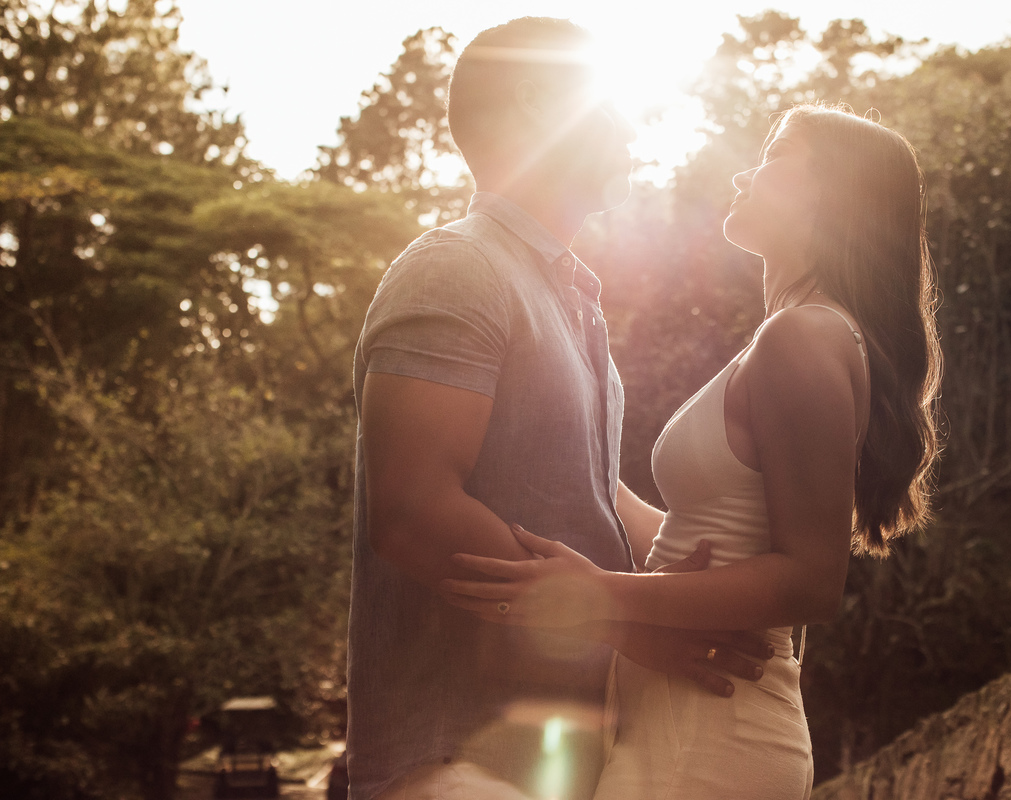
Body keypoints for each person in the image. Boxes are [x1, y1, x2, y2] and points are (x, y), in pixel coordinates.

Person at [442, 104, 943, 799]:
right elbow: (698, 534)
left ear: (828, 191)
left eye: (774, 155)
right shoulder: (796, 336)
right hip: (681, 709)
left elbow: (810, 582)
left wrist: (596, 593)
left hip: (717, 726)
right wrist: (567, 456)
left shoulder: (803, 339)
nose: (744, 173)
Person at [347, 17, 771, 800]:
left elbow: (587, 493)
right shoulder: (455, 266)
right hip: (450, 758)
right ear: (542, 104)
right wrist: (627, 624)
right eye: (606, 99)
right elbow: (412, 511)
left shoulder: (572, 300)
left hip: (563, 760)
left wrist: (735, 558)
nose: (630, 122)